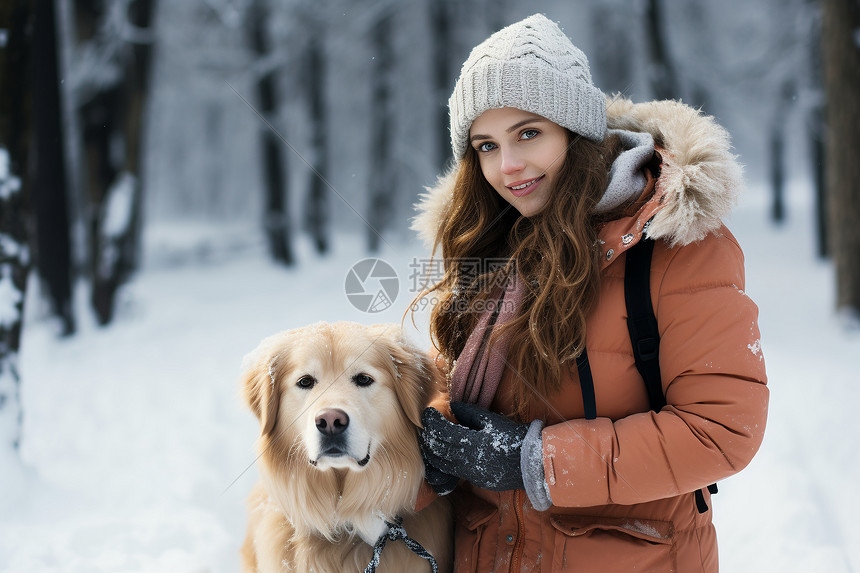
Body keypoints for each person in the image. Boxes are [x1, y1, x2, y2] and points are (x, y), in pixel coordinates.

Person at [411, 13, 768, 573]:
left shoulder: (677, 243)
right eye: (485, 145)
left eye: (529, 133)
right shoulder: (489, 245)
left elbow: (722, 429)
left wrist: (538, 462)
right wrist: (430, 452)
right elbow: (452, 391)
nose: (508, 167)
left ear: (574, 131)